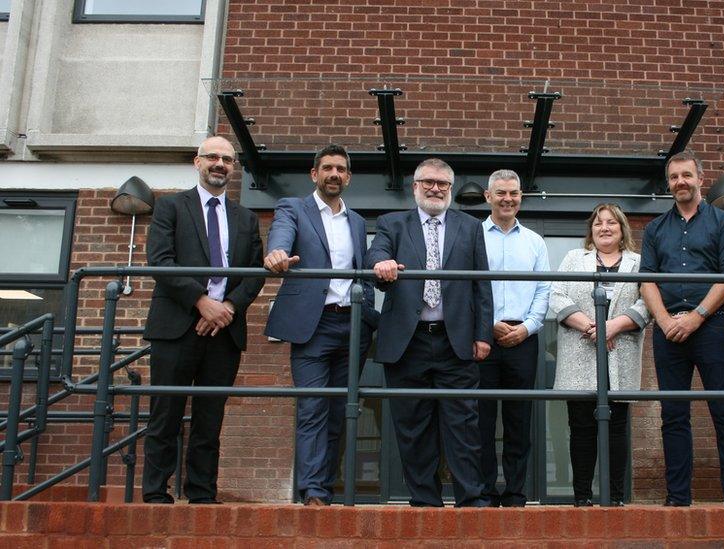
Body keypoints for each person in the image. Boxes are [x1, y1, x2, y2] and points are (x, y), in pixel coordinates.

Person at [142, 136, 265, 504]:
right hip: (177, 326)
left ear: (233, 168)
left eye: (227, 159)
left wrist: (226, 307)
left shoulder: (244, 217)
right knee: (165, 414)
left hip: (224, 331)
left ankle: (201, 494)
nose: (219, 164)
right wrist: (201, 301)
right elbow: (160, 261)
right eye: (212, 157)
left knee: (210, 420)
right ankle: (155, 494)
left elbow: (255, 272)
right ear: (197, 162)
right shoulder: (170, 208)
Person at [366, 158, 493, 507]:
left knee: (463, 424)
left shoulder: (470, 227)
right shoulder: (392, 223)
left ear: (450, 189)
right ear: (415, 186)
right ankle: (425, 502)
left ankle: (471, 500)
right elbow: (375, 254)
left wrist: (484, 335)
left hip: (456, 341)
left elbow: (482, 284)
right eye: (428, 182)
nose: (435, 188)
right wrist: (382, 263)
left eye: (443, 184)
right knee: (412, 426)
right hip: (408, 342)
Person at [263, 144, 378, 506]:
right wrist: (277, 253)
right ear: (315, 174)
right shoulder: (292, 208)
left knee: (341, 410)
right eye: (327, 168)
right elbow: (280, 237)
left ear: (348, 177)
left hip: (353, 325)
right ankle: (312, 491)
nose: (334, 174)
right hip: (313, 326)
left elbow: (363, 273)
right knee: (313, 406)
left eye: (341, 169)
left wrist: (370, 315)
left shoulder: (357, 222)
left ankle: (325, 486)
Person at [639, 149, 724, 507]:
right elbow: (646, 281)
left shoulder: (723, 222)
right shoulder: (655, 229)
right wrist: (666, 320)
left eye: (686, 175)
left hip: (713, 326)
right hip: (668, 330)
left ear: (700, 178)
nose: (680, 183)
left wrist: (697, 315)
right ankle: (678, 500)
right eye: (673, 177)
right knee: (673, 416)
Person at [549, 203, 650, 507]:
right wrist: (592, 326)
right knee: (581, 430)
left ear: (622, 230)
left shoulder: (638, 262)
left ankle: (615, 498)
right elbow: (556, 294)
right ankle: (582, 499)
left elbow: (649, 301)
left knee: (616, 430)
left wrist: (614, 326)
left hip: (619, 351)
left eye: (611, 223)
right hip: (579, 350)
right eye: (598, 223)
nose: (604, 228)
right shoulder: (572, 258)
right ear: (590, 230)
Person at [478, 169, 550, 507]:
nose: (508, 199)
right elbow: (466, 287)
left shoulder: (535, 241)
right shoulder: (472, 236)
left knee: (519, 421)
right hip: (483, 337)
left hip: (524, 338)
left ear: (521, 197)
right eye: (501, 193)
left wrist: (529, 325)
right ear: (488, 196)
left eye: (514, 193)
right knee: (481, 419)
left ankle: (515, 494)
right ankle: (485, 493)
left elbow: (543, 288)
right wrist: (489, 323)